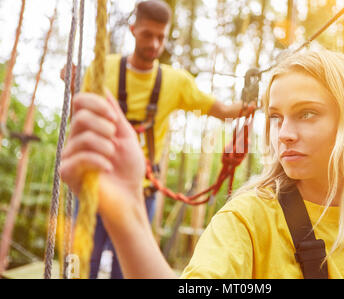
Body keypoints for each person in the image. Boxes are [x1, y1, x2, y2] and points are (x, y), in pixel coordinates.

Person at [61, 49, 344, 279]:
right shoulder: (250, 218)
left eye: (306, 114)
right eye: (276, 116)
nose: (284, 134)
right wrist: (125, 209)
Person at [61, 0, 254, 279]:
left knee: (126, 270)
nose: (154, 43)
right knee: (83, 265)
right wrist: (74, 87)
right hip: (96, 185)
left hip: (143, 191)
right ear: (133, 30)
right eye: (147, 35)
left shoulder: (177, 82)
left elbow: (223, 111)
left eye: (161, 37)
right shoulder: (103, 69)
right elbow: (80, 121)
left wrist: (256, 101)